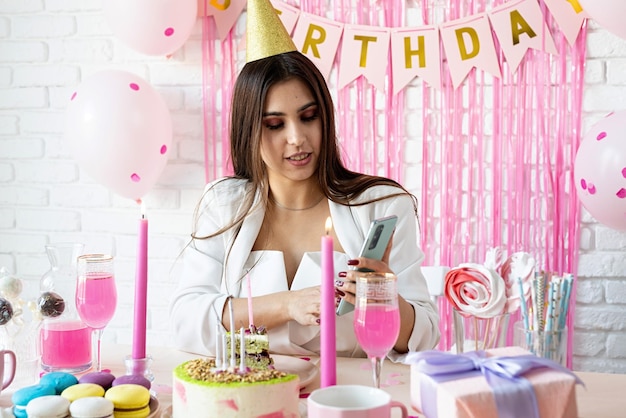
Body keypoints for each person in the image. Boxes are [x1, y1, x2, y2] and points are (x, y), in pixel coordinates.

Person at [169, 0, 439, 361]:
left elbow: (425, 335)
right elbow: (185, 322)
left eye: (308, 117)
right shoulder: (224, 204)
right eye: (275, 125)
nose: (296, 138)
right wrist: (286, 304)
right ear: (249, 130)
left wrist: (384, 296)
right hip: (252, 398)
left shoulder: (382, 205)